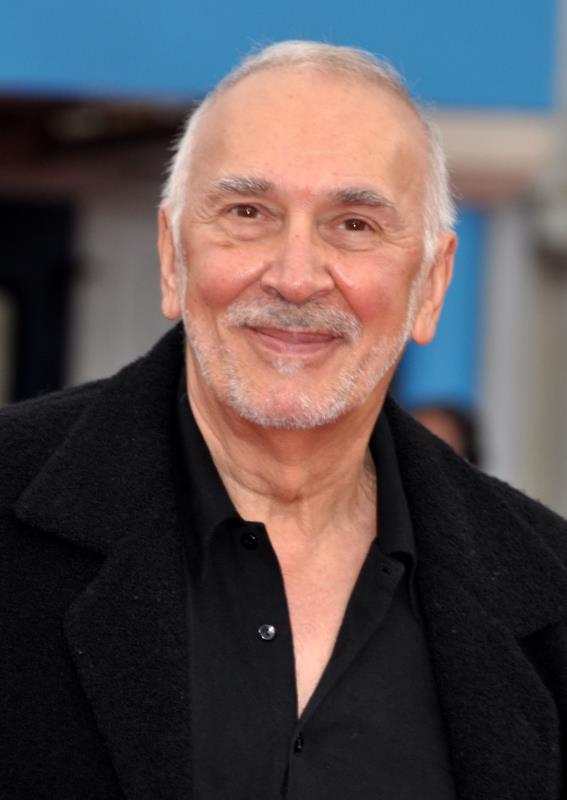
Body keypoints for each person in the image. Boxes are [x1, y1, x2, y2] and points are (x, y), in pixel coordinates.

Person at [1, 41, 566, 800]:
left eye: (354, 224)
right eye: (248, 213)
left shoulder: (550, 593)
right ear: (172, 258)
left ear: (431, 285)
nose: (296, 278)